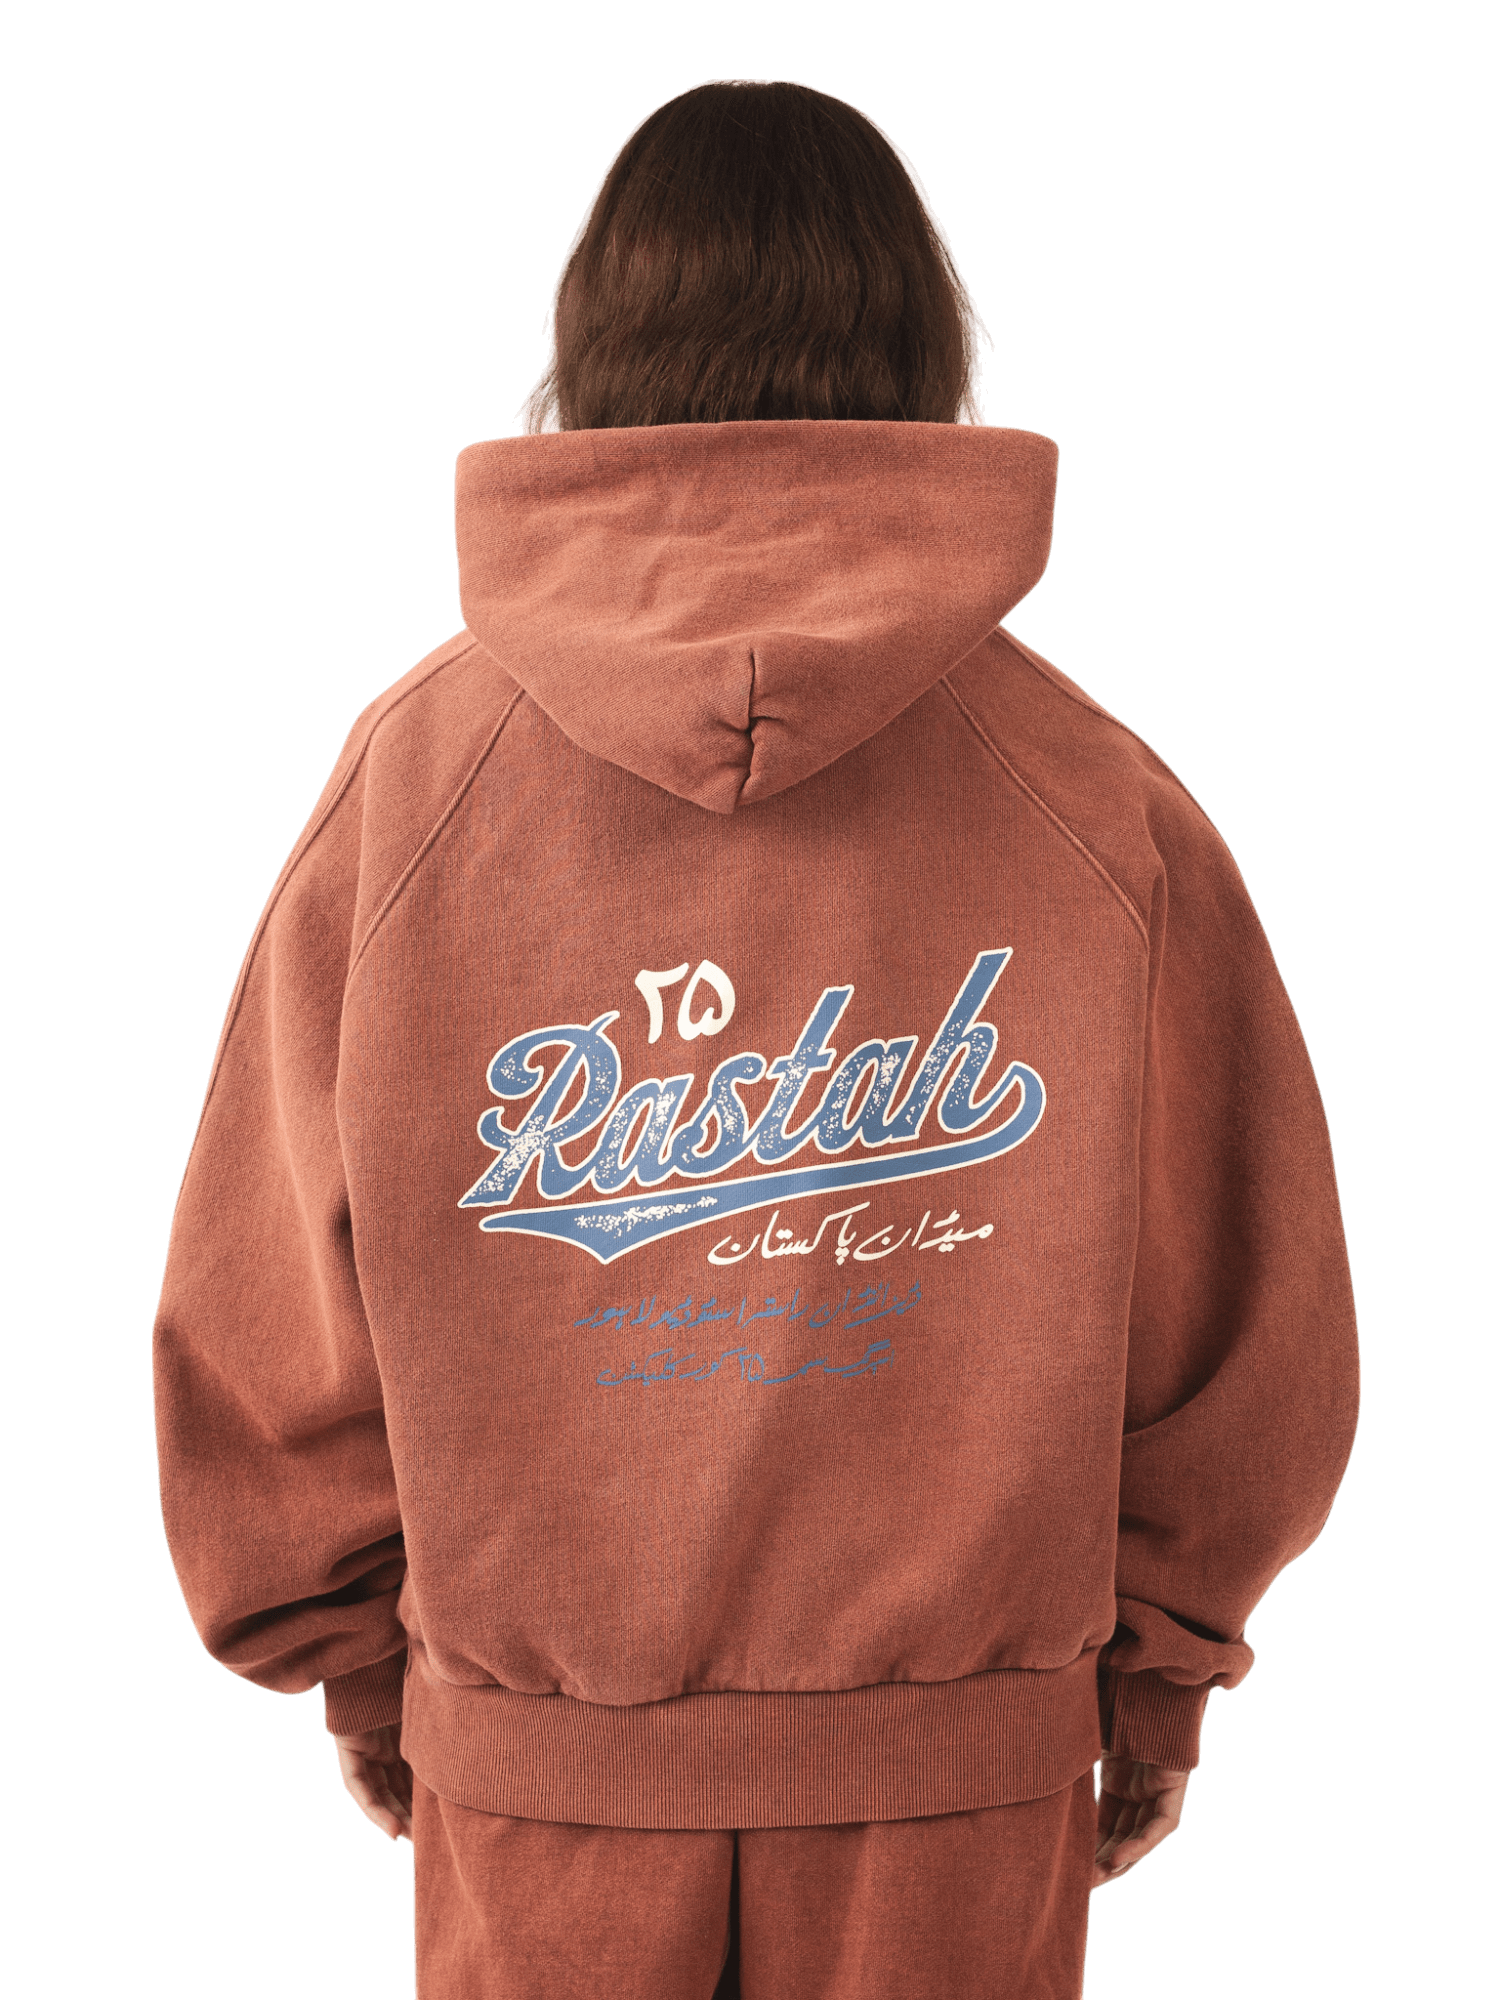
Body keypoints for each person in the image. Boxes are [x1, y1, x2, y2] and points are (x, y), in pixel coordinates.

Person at [152, 78, 1360, 1999]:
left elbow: (264, 1306)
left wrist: (366, 1662)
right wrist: (1154, 1668)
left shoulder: (411, 788)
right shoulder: (1090, 795)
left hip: (539, 1794)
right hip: (963, 1798)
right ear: (927, 349)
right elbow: (1244, 1306)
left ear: (587, 353)